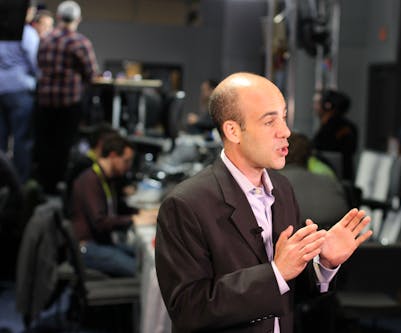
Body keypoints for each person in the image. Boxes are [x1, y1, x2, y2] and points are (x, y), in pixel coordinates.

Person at [155, 72, 372, 332]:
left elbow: (287, 290)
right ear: (233, 130)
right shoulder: (185, 204)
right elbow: (189, 309)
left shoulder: (282, 189)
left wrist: (325, 264)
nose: (286, 131)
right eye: (270, 121)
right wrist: (276, 272)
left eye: (284, 117)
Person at [34, 0, 99, 194]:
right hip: (68, 102)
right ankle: (59, 188)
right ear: (77, 19)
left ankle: (44, 187)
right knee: (64, 145)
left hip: (44, 101)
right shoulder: (79, 42)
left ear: (58, 17)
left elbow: (39, 64)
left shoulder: (44, 39)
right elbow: (91, 73)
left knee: (45, 145)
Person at [71, 134, 156, 277]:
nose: (128, 167)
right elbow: (100, 222)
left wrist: (141, 213)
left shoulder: (104, 178)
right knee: (143, 270)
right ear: (113, 156)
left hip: (100, 242)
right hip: (87, 247)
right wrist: (134, 220)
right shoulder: (90, 181)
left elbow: (116, 208)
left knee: (144, 258)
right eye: (126, 161)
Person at [0, 0, 39, 183]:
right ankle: (20, 183)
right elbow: (35, 63)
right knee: (21, 140)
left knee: (1, 140)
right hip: (20, 90)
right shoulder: (27, 33)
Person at [280, 132, 350, 229]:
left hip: (297, 239)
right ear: (309, 156)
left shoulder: (273, 184)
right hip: (338, 237)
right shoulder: (329, 180)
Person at [312, 89, 358, 181]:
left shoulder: (331, 127)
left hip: (332, 176)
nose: (315, 107)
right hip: (344, 175)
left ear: (327, 106)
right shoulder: (349, 126)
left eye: (318, 103)